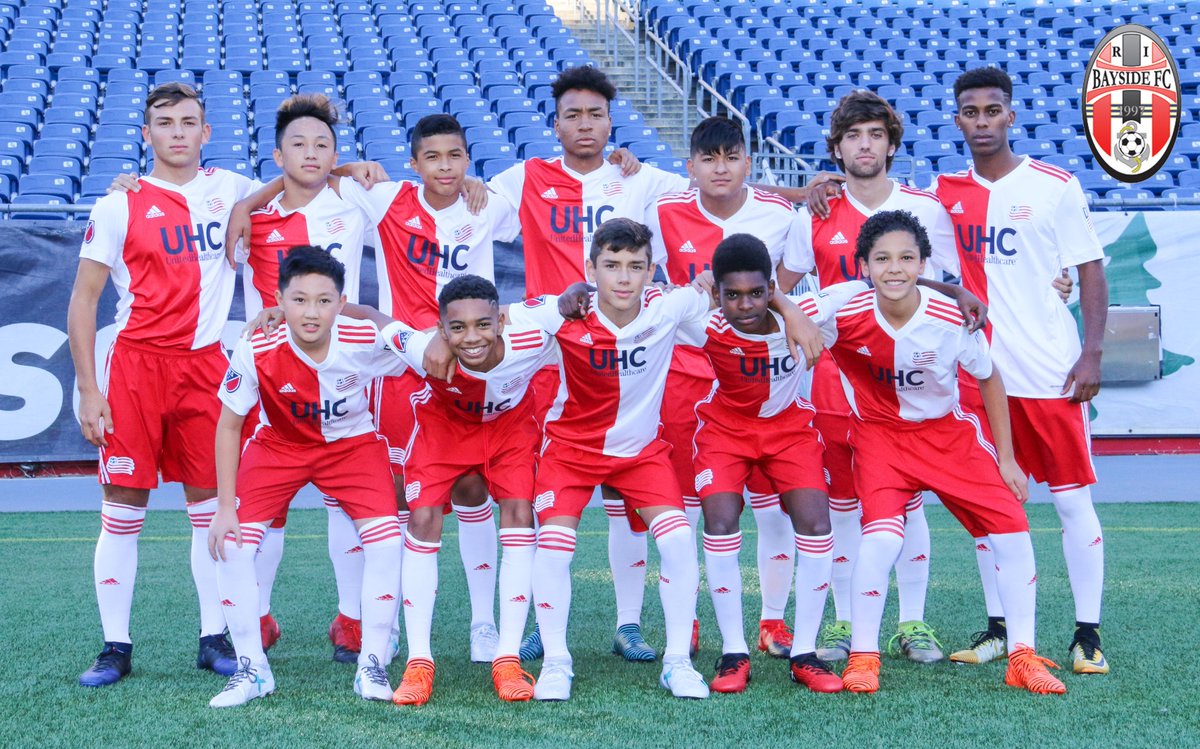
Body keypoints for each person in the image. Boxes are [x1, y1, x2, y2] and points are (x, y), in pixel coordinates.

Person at [231, 113, 517, 663]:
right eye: (432, 157)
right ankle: (372, 623)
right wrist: (250, 203)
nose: (445, 167)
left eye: (455, 157)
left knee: (473, 490)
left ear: (467, 159)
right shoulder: (386, 199)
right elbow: (311, 173)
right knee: (381, 502)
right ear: (414, 163)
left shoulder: (491, 203)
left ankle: (484, 624)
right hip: (397, 367)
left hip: (470, 367)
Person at [505, 217, 823, 701]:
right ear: (591, 268)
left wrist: (789, 308)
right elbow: (496, 318)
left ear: (653, 270)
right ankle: (556, 662)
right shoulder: (561, 312)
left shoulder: (670, 304)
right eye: (611, 266)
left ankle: (676, 662)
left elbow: (736, 290)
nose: (624, 277)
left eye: (636, 266)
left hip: (640, 454)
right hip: (570, 453)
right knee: (553, 547)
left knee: (677, 541)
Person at [68, 82, 263, 687]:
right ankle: (115, 647)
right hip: (135, 368)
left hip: (207, 366)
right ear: (147, 133)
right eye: (164, 122)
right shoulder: (118, 205)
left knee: (210, 510)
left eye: (188, 122)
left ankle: (213, 638)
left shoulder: (231, 189)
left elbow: (299, 173)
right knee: (122, 509)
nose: (177, 131)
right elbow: (83, 299)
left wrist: (351, 165)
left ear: (206, 133)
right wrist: (87, 389)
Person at [828, 210, 1064, 695]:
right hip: (880, 438)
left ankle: (1022, 656)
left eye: (906, 258)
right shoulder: (842, 313)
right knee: (881, 542)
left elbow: (989, 376)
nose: (894, 269)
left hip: (947, 436)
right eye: (882, 259)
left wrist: (1007, 457)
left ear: (922, 264)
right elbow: (782, 309)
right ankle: (864, 657)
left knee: (1013, 530)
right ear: (864, 266)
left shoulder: (948, 318)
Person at [934, 67, 1110, 674]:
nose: (981, 121)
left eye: (992, 110)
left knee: (1070, 504)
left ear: (1011, 115)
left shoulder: (1055, 186)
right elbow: (901, 246)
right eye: (970, 112)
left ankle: (1087, 634)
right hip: (981, 378)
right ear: (956, 119)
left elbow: (1089, 270)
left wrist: (1091, 353)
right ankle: (999, 629)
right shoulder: (941, 194)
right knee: (992, 508)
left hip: (1049, 373)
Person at [779, 90, 959, 664]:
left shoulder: (924, 209)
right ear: (837, 147)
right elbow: (779, 290)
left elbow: (946, 286)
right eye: (853, 136)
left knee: (906, 503)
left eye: (875, 135)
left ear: (891, 144)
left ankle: (912, 623)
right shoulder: (816, 212)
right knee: (842, 504)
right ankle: (844, 621)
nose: (864, 145)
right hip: (831, 382)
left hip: (903, 381)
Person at [334, 275, 554, 705]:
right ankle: (420, 662)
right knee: (421, 517)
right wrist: (282, 313)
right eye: (457, 328)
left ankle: (506, 658)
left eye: (483, 325)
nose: (471, 338)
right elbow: (376, 318)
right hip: (444, 429)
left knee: (520, 513)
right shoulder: (422, 348)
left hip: (508, 431)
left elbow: (571, 306)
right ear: (440, 328)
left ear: (502, 322)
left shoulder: (532, 340)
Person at [206, 246, 406, 707]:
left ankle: (371, 662)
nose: (311, 312)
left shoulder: (363, 337)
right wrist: (222, 507)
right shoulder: (257, 344)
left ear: (340, 302)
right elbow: (229, 424)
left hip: (352, 447)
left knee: (386, 541)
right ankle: (252, 670)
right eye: (298, 300)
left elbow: (421, 351)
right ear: (277, 300)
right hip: (279, 446)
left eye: (323, 300)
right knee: (230, 544)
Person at [646, 115, 806, 660]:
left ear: (747, 164)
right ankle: (685, 619)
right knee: (688, 505)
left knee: (772, 507)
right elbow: (646, 279)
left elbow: (782, 287)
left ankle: (772, 621)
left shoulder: (781, 214)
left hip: (761, 377)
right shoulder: (663, 210)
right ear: (690, 167)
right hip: (688, 373)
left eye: (731, 157)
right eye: (709, 158)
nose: (720, 168)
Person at [677, 233, 859, 694]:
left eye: (757, 293)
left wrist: (955, 290)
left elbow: (876, 285)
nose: (744, 304)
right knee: (719, 523)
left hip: (788, 430)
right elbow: (634, 299)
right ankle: (734, 651)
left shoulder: (808, 313)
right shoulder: (702, 320)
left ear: (773, 287)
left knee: (818, 525)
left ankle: (806, 654)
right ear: (715, 293)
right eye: (732, 295)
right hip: (725, 431)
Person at [241, 92, 370, 663]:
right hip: (273, 377)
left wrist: (350, 169)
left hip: (346, 369)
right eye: (298, 144)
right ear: (277, 154)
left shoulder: (355, 198)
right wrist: (254, 199)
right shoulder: (253, 218)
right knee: (265, 508)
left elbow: (399, 184)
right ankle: (258, 616)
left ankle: (352, 621)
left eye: (324, 145)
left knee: (348, 504)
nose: (311, 153)